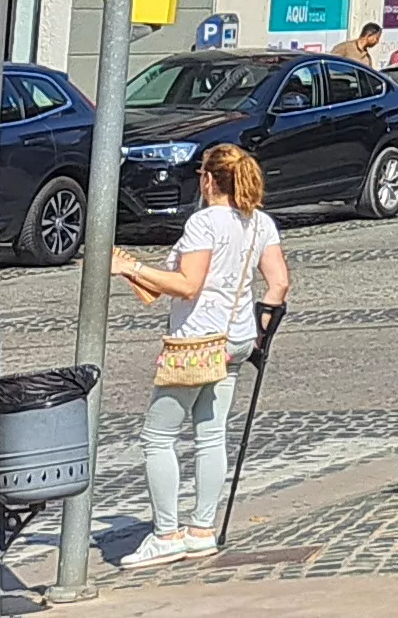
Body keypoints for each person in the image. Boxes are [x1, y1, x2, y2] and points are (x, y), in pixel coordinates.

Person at [109, 143, 282, 568]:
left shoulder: (204, 222)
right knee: (210, 433)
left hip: (196, 342)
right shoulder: (259, 222)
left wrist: (130, 268)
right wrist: (258, 334)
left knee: (157, 436)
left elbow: (189, 285)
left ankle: (166, 533)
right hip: (235, 338)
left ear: (208, 179)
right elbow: (278, 283)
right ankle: (202, 528)